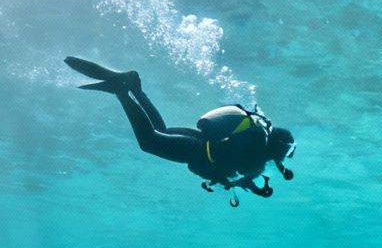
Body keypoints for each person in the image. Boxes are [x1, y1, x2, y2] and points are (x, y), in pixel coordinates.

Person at [65, 57, 294, 204]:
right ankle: (121, 90)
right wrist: (246, 184)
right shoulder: (256, 159)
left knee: (158, 129)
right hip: (196, 151)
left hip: (199, 139)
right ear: (278, 152)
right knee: (149, 142)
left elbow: (237, 171)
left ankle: (133, 86)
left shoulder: (256, 139)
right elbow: (237, 170)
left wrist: (250, 187)